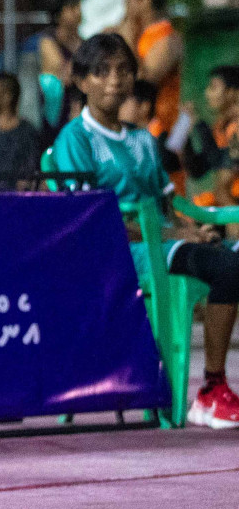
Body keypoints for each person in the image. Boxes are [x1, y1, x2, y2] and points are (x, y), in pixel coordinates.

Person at [52, 34, 239, 429]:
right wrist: (176, 236)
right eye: (101, 72)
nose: (115, 80)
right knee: (225, 267)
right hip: (118, 253)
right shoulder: (75, 138)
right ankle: (212, 389)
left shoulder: (142, 140)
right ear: (82, 81)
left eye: (123, 70)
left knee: (231, 258)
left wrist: (195, 228)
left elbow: (170, 206)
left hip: (161, 242)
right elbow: (92, 222)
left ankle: (211, 392)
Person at [118, 0, 183, 140]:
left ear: (145, 0)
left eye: (128, 0)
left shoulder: (167, 37)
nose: (125, 6)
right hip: (131, 126)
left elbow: (144, 80)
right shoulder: (136, 32)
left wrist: (128, 40)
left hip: (160, 130)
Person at [184, 65, 239, 215]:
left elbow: (220, 164)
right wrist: (184, 139)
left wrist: (199, 125)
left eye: (213, 87)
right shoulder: (222, 127)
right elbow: (198, 169)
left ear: (232, 93)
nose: (207, 93)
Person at [35, 0, 82, 84]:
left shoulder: (81, 41)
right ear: (58, 14)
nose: (78, 12)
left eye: (78, 6)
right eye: (72, 8)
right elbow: (62, 73)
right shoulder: (48, 41)